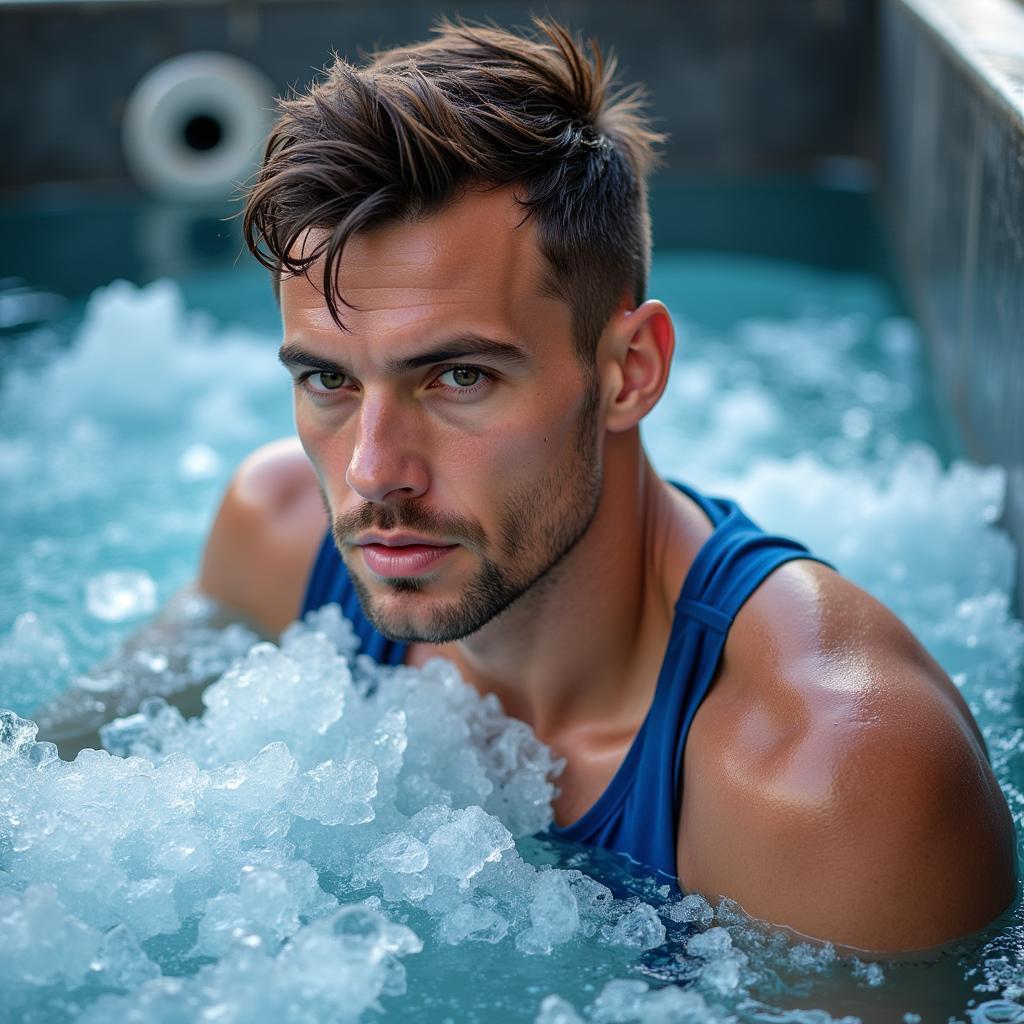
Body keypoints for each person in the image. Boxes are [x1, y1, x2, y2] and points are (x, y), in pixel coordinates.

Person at [191, 19, 1016, 953]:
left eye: (459, 377)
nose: (372, 473)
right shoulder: (278, 533)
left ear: (630, 370)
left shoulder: (836, 784)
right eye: (328, 381)